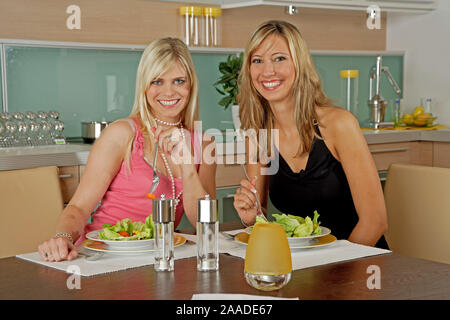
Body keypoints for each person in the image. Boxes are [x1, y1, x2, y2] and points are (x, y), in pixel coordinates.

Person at [38, 37, 216, 261]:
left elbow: (205, 226)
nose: (169, 92)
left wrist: (188, 168)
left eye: (179, 81)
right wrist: (63, 237)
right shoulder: (122, 134)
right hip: (103, 255)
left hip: (158, 258)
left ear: (191, 85)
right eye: (157, 81)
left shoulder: (204, 144)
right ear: (144, 85)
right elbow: (79, 207)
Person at [233, 20, 388, 249]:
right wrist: (251, 217)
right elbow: (261, 218)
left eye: (279, 58)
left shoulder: (338, 125)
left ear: (300, 64)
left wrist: (334, 272)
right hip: (306, 266)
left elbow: (375, 223)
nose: (268, 71)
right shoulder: (257, 135)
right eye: (257, 61)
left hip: (359, 262)